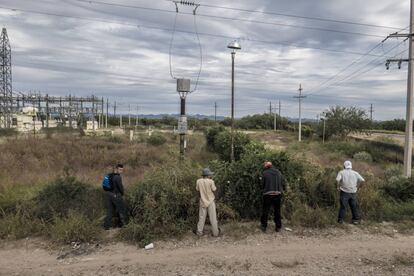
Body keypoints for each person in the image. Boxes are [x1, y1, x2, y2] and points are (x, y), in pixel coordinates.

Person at [336, 160, 365, 225]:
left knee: (343, 206)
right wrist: (359, 188)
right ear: (351, 166)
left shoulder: (341, 172)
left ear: (344, 166)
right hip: (353, 192)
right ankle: (355, 220)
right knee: (354, 206)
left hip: (344, 192)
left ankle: (341, 220)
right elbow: (363, 180)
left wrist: (338, 187)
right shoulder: (355, 173)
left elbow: (337, 180)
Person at [195, 168, 220, 237]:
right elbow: (214, 190)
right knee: (213, 218)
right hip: (211, 201)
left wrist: (200, 198)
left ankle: (199, 233)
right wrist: (216, 199)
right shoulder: (211, 181)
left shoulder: (198, 181)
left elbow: (197, 191)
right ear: (208, 175)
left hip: (202, 201)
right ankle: (215, 233)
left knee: (201, 218)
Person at [260, 161, 283, 232]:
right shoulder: (279, 172)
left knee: (266, 210)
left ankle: (264, 226)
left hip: (268, 194)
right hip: (278, 194)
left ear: (266, 166)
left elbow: (262, 184)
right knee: (277, 211)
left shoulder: (265, 173)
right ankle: (278, 227)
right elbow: (281, 183)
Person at [104, 164, 128, 230]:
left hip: (108, 195)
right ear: (116, 169)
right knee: (122, 210)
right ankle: (124, 226)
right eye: (120, 169)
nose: (121, 171)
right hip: (116, 195)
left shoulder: (109, 175)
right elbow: (120, 187)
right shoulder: (118, 177)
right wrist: (123, 194)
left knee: (110, 211)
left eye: (122, 170)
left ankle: (106, 227)